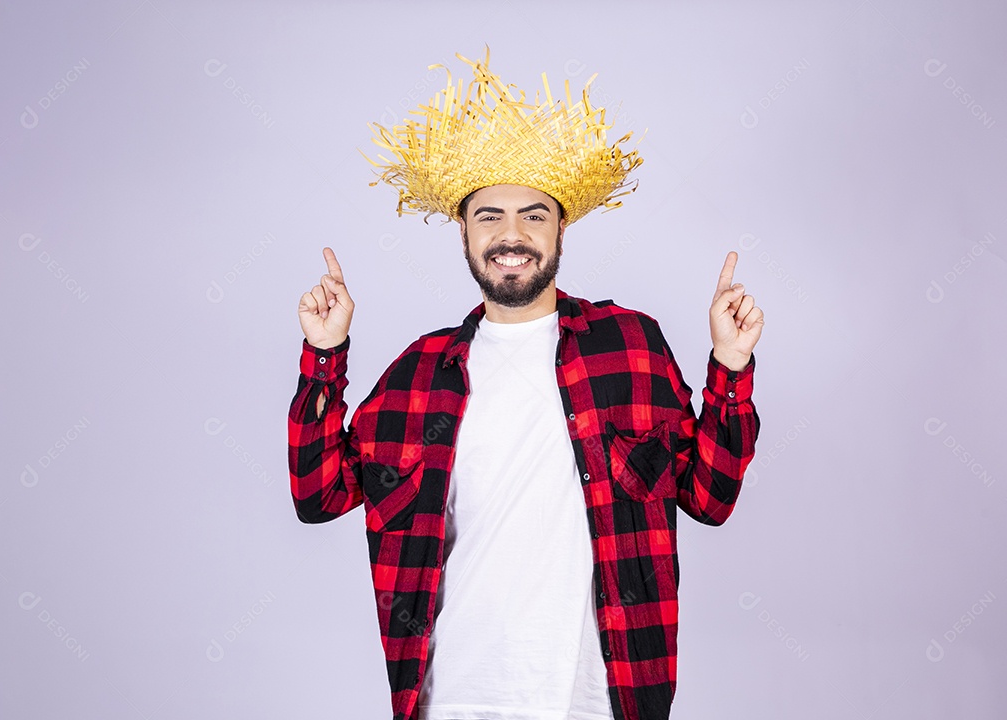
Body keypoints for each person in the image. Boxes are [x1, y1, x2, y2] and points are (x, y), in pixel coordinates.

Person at [288, 50, 763, 720]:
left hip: (599, 701)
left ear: (561, 227)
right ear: (464, 232)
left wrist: (730, 366)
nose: (512, 235)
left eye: (533, 215)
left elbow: (710, 499)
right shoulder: (418, 374)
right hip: (452, 700)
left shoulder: (629, 346)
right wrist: (324, 351)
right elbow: (317, 495)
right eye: (490, 216)